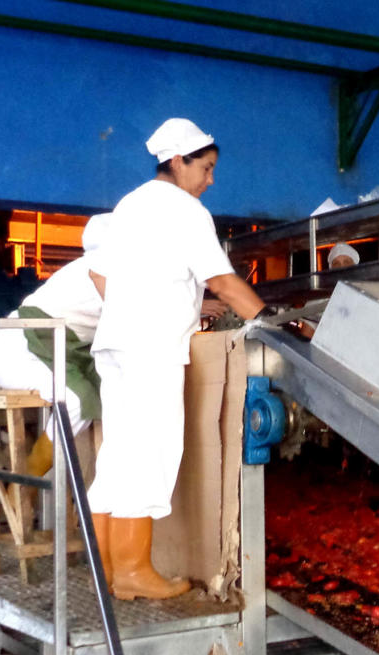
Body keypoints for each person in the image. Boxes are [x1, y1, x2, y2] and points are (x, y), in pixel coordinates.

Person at [86, 117, 268, 600]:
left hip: (117, 344)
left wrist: (134, 306)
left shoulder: (129, 204)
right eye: (205, 169)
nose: (210, 180)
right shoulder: (185, 211)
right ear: (177, 161)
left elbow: (98, 275)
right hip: (152, 349)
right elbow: (223, 282)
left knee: (119, 453)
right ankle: (132, 570)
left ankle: (108, 571)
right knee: (151, 453)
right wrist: (271, 324)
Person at [0, 214, 112, 478]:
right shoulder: (100, 270)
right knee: (77, 400)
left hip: (54, 353)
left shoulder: (116, 271)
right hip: (21, 351)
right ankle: (26, 487)